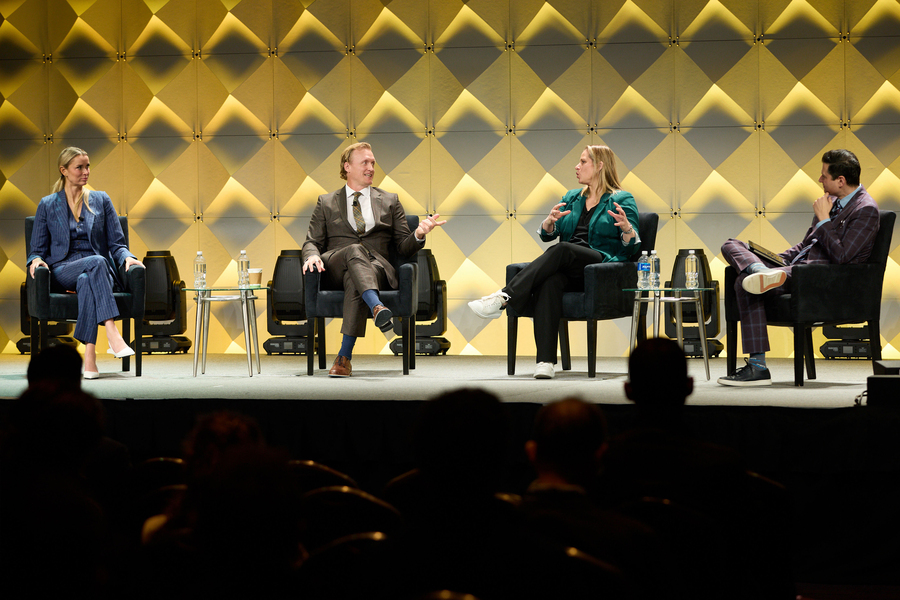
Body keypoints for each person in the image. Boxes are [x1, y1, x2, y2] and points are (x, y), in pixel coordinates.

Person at [468, 145, 640, 379]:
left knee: (562, 249)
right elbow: (550, 234)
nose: (577, 167)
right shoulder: (571, 198)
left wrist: (627, 228)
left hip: (599, 267)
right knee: (549, 282)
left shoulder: (621, 199)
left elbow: (634, 246)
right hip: (568, 266)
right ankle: (545, 362)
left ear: (600, 166)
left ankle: (504, 297)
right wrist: (549, 223)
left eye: (583, 162)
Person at [718, 149, 879, 386]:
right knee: (731, 245)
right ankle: (760, 271)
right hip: (795, 269)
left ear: (841, 180)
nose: (820, 180)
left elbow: (843, 256)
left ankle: (757, 367)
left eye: (824, 175)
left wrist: (824, 220)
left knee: (744, 284)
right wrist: (772, 258)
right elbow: (807, 244)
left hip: (819, 279)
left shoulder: (866, 209)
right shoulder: (830, 202)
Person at [301, 142, 446, 377]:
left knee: (355, 278)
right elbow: (311, 241)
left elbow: (403, 247)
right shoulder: (325, 202)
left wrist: (419, 234)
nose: (371, 167)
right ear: (347, 166)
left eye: (372, 163)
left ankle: (343, 357)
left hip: (377, 268)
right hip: (336, 265)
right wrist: (312, 255)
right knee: (353, 251)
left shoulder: (390, 200)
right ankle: (376, 306)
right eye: (365, 162)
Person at [27, 147, 144, 380]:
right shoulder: (48, 204)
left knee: (88, 278)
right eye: (79, 167)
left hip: (96, 271)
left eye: (88, 166)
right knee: (96, 263)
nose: (86, 172)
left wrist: (128, 257)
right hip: (63, 268)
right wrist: (36, 260)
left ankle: (89, 359)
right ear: (64, 171)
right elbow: (36, 250)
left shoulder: (101, 200)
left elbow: (117, 243)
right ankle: (112, 333)